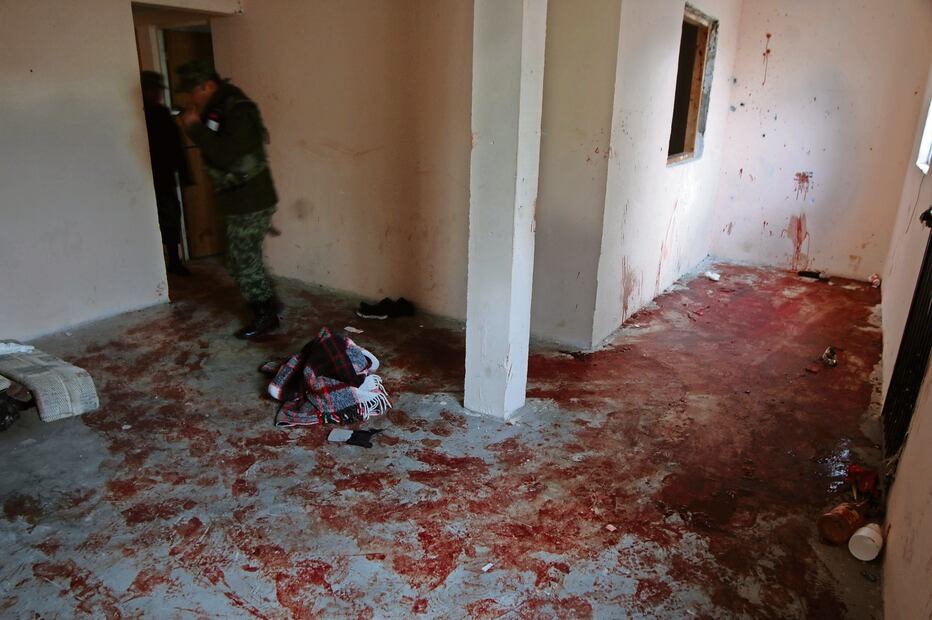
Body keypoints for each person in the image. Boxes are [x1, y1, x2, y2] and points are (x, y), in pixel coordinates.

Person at [175, 59, 282, 339]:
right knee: (242, 259)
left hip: (250, 200)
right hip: (240, 200)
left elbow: (230, 157)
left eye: (193, 92)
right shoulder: (221, 107)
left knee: (241, 261)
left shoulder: (238, 109)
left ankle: (265, 316)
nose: (191, 98)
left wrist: (195, 128)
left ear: (208, 86)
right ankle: (269, 304)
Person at [141, 70, 192, 276]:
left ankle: (173, 260)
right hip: (150, 176)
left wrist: (184, 173)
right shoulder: (145, 114)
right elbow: (176, 146)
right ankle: (170, 262)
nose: (158, 94)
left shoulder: (160, 113)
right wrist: (184, 173)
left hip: (161, 176)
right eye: (154, 90)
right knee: (163, 218)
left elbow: (175, 145)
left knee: (169, 218)